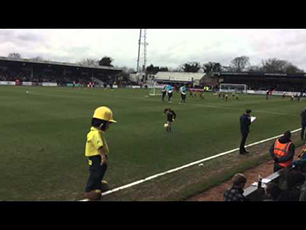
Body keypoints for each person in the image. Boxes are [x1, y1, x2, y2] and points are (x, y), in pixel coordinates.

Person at [84, 106, 117, 200]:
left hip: (99, 157)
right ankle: (89, 190)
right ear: (102, 124)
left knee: (101, 171)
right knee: (95, 172)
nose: (109, 126)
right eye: (108, 124)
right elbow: (99, 146)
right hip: (96, 158)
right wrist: (103, 156)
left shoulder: (97, 132)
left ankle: (98, 184)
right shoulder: (95, 134)